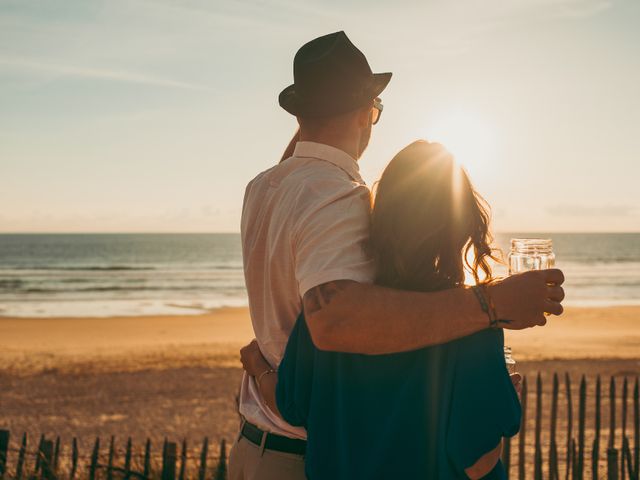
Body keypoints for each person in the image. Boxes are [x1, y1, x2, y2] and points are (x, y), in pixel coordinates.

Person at [229, 31, 564, 480]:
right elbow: (335, 321)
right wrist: (491, 304)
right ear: (368, 112)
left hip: (262, 446)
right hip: (299, 456)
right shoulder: (340, 196)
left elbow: (312, 355)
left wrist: (257, 364)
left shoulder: (264, 187)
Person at [241, 141, 524, 479]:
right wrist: (505, 396)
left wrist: (259, 368)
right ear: (463, 224)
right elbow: (478, 463)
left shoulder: (329, 316)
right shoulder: (474, 322)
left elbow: (291, 407)